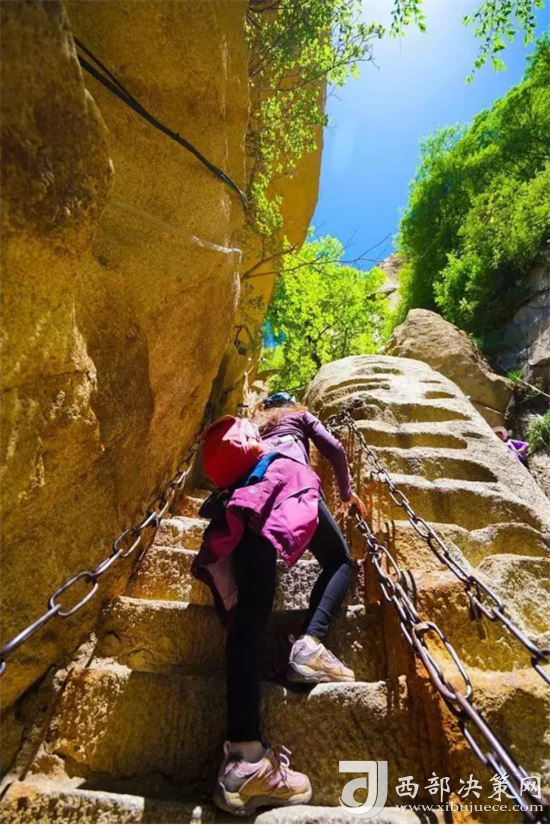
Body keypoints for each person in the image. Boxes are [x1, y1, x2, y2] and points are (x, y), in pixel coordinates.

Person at [193, 391, 366, 817]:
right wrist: (346, 493)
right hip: (289, 480)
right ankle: (309, 644)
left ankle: (245, 760)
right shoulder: (300, 417)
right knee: (340, 560)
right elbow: (334, 449)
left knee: (251, 612)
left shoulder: (258, 428)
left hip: (247, 491)